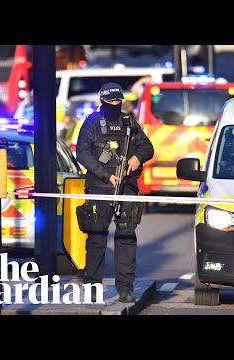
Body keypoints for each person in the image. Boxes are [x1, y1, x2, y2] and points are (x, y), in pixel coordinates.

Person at [76, 82, 154, 303]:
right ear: (102, 100)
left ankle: (126, 288)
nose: (115, 104)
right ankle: (93, 287)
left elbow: (147, 146)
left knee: (126, 237)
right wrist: (105, 175)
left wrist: (137, 157)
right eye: (111, 101)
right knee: (97, 238)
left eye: (119, 101)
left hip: (126, 189)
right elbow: (82, 154)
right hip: (100, 189)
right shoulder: (92, 122)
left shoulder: (129, 121)